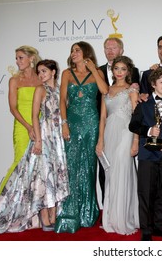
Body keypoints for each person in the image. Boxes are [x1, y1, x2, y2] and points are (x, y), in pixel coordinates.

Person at [0, 59, 69, 234]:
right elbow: (34, 117)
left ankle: (54, 216)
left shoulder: (58, 89)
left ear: (54, 72)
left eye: (44, 71)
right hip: (44, 135)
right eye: (39, 72)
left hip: (56, 138)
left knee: (55, 175)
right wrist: (38, 140)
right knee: (43, 177)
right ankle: (45, 218)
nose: (41, 75)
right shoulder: (40, 90)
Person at [55, 41, 109, 233]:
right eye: (72, 50)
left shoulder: (97, 73)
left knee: (88, 168)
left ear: (86, 53)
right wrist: (64, 123)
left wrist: (93, 69)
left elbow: (104, 91)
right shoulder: (67, 74)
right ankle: (71, 211)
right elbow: (62, 100)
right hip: (72, 122)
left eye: (77, 50)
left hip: (91, 124)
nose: (73, 53)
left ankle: (87, 213)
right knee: (71, 167)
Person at [129, 67, 162, 241]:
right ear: (153, 84)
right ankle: (147, 231)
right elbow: (133, 126)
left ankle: (160, 227)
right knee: (146, 194)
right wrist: (149, 130)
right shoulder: (144, 105)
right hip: (148, 155)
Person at [96, 55, 140, 235]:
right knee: (111, 176)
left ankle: (124, 218)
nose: (119, 72)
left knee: (122, 174)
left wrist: (136, 141)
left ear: (128, 71)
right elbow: (103, 118)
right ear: (112, 71)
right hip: (109, 136)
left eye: (123, 69)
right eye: (116, 69)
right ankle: (111, 217)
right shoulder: (106, 90)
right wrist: (100, 140)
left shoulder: (132, 90)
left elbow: (137, 118)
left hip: (126, 134)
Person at [0, 45, 43, 198]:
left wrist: (38, 127)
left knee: (38, 167)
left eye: (20, 58)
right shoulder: (14, 80)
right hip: (22, 127)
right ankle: (3, 204)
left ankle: (31, 206)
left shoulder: (41, 78)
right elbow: (13, 108)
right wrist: (28, 127)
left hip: (41, 126)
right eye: (16, 58)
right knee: (20, 162)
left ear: (31, 58)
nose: (17, 61)